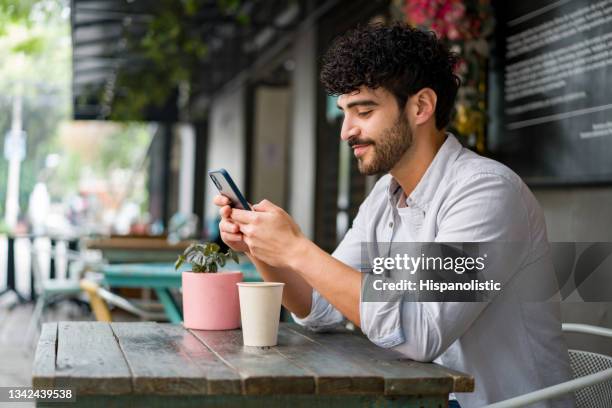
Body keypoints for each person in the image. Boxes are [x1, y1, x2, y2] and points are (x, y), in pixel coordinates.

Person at [214, 23, 573, 407]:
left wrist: (297, 249)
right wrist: (261, 245)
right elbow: (318, 308)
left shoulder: (486, 192)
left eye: (363, 111)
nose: (346, 131)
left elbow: (419, 334)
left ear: (420, 107)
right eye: (344, 113)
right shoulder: (384, 197)